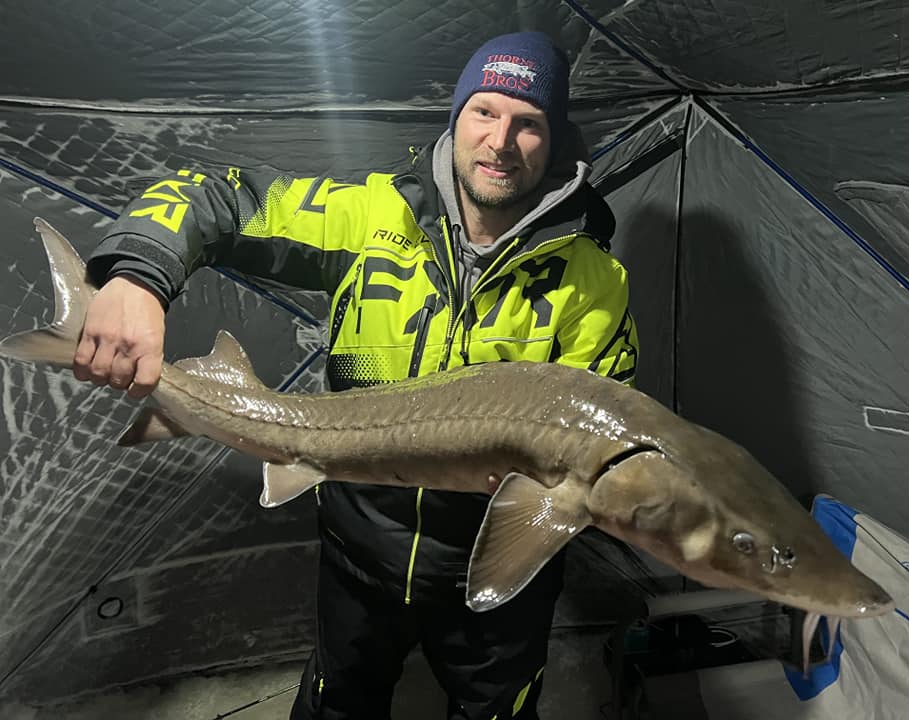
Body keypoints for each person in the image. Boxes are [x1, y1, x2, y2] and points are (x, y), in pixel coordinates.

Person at [75, 31, 638, 720]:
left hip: (498, 570)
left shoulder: (595, 281)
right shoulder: (369, 216)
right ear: (455, 119)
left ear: (554, 142)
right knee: (337, 704)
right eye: (484, 112)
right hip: (357, 555)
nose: (500, 140)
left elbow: (607, 437)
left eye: (529, 124)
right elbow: (210, 196)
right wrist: (136, 276)